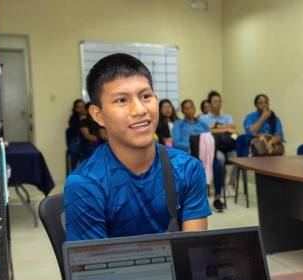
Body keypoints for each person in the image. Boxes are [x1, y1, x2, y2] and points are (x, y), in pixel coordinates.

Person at [64, 53, 211, 241]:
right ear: (98, 115)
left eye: (145, 96)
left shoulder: (188, 169)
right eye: (122, 100)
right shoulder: (85, 184)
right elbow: (95, 268)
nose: (140, 110)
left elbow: (193, 253)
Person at [199, 90, 238, 195]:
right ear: (210, 104)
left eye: (220, 101)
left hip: (228, 145)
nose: (218, 104)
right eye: (215, 101)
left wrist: (215, 127)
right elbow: (207, 131)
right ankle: (219, 186)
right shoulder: (203, 118)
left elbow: (233, 129)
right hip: (213, 148)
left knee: (238, 158)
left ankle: (231, 184)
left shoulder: (227, 117)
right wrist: (225, 129)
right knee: (220, 159)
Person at [67, 99, 87, 170]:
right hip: (76, 139)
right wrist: (82, 120)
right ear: (75, 109)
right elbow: (75, 130)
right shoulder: (73, 118)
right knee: (75, 149)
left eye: (82, 106)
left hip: (87, 140)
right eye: (79, 107)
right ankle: (74, 171)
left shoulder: (89, 117)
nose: (81, 109)